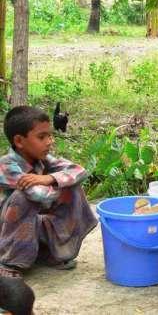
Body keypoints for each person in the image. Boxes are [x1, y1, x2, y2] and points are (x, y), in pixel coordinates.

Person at [0, 106, 98, 278]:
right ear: (19, 141)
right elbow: (36, 195)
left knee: (71, 185)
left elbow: (79, 170)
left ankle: (50, 252)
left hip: (31, 223)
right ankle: (10, 261)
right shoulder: (6, 165)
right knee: (23, 197)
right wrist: (60, 184)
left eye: (50, 135)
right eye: (41, 137)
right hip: (6, 230)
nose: (49, 141)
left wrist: (50, 178)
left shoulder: (43, 160)